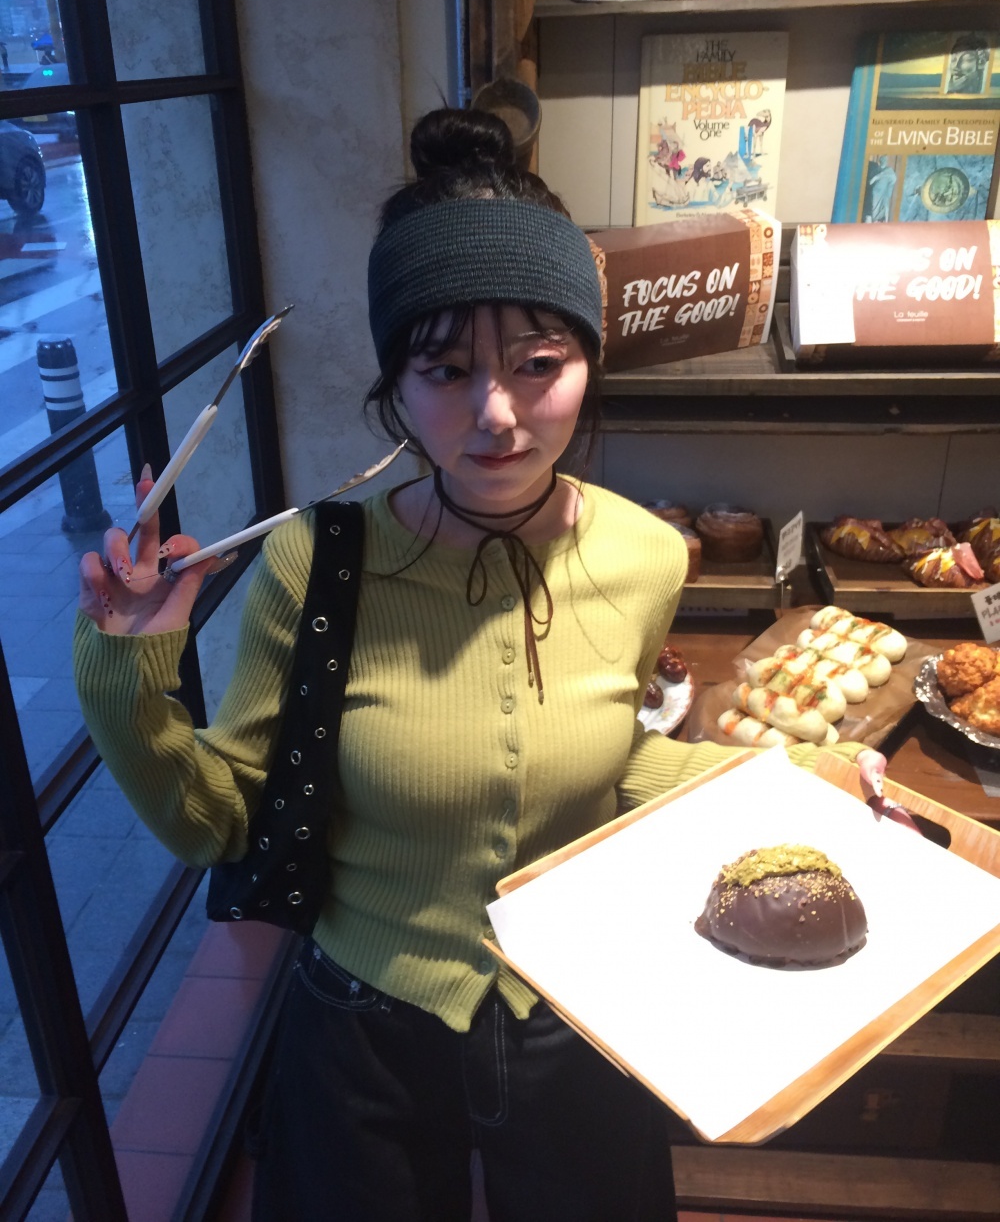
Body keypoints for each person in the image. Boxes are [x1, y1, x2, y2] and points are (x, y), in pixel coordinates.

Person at [75, 107, 885, 1222]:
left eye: (538, 363)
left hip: (574, 1000)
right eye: (445, 368)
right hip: (364, 1017)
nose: (496, 413)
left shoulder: (646, 555)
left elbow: (613, 762)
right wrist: (126, 663)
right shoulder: (318, 562)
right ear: (394, 386)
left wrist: (801, 775)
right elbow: (216, 820)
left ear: (589, 362)